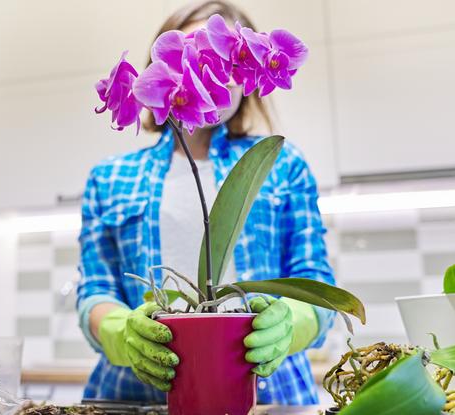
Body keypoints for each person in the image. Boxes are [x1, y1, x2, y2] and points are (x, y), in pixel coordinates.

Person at [76, 0, 336, 405]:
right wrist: (120, 331)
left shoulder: (280, 164)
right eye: (196, 53)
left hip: (270, 396)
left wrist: (290, 325)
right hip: (133, 395)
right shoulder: (110, 178)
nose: (212, 69)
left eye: (228, 57)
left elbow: (316, 282)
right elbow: (96, 287)